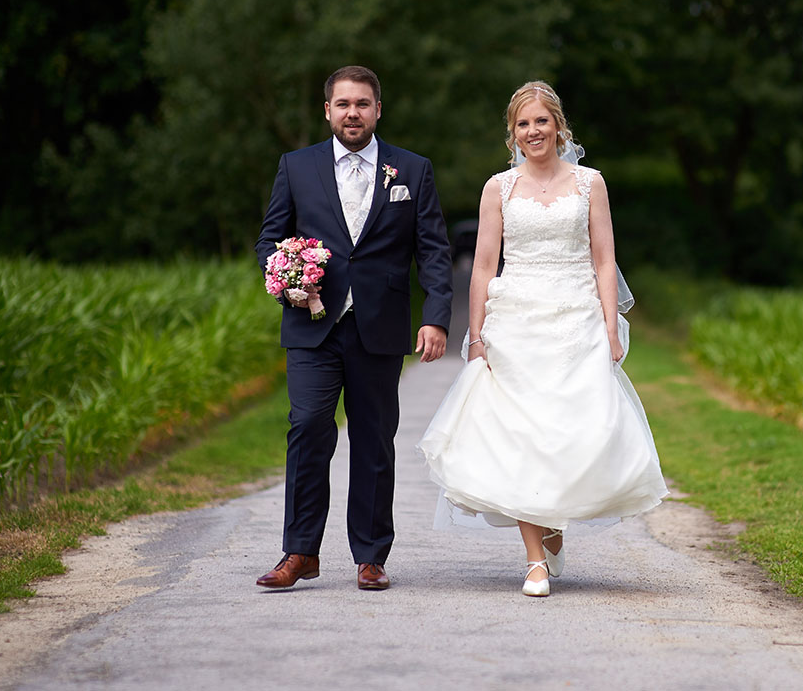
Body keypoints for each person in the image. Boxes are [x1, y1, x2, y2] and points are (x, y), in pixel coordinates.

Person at [417, 81, 667, 597]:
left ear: (558, 126)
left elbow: (603, 259)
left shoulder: (590, 183)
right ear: (513, 134)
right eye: (523, 124)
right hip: (517, 321)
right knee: (521, 434)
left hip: (577, 318)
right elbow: (484, 265)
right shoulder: (498, 188)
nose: (534, 132)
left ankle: (554, 521)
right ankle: (534, 560)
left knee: (571, 430)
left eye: (541, 121)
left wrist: (609, 324)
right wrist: (479, 335)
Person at [255, 65, 453, 591]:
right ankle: (299, 552)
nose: (352, 113)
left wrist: (435, 316)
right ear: (327, 110)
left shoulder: (412, 169)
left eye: (362, 104)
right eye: (343, 104)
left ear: (378, 110)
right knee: (308, 428)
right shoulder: (296, 167)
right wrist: (286, 281)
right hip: (312, 327)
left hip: (379, 328)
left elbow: (432, 250)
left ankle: (370, 556)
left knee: (373, 440)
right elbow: (269, 240)